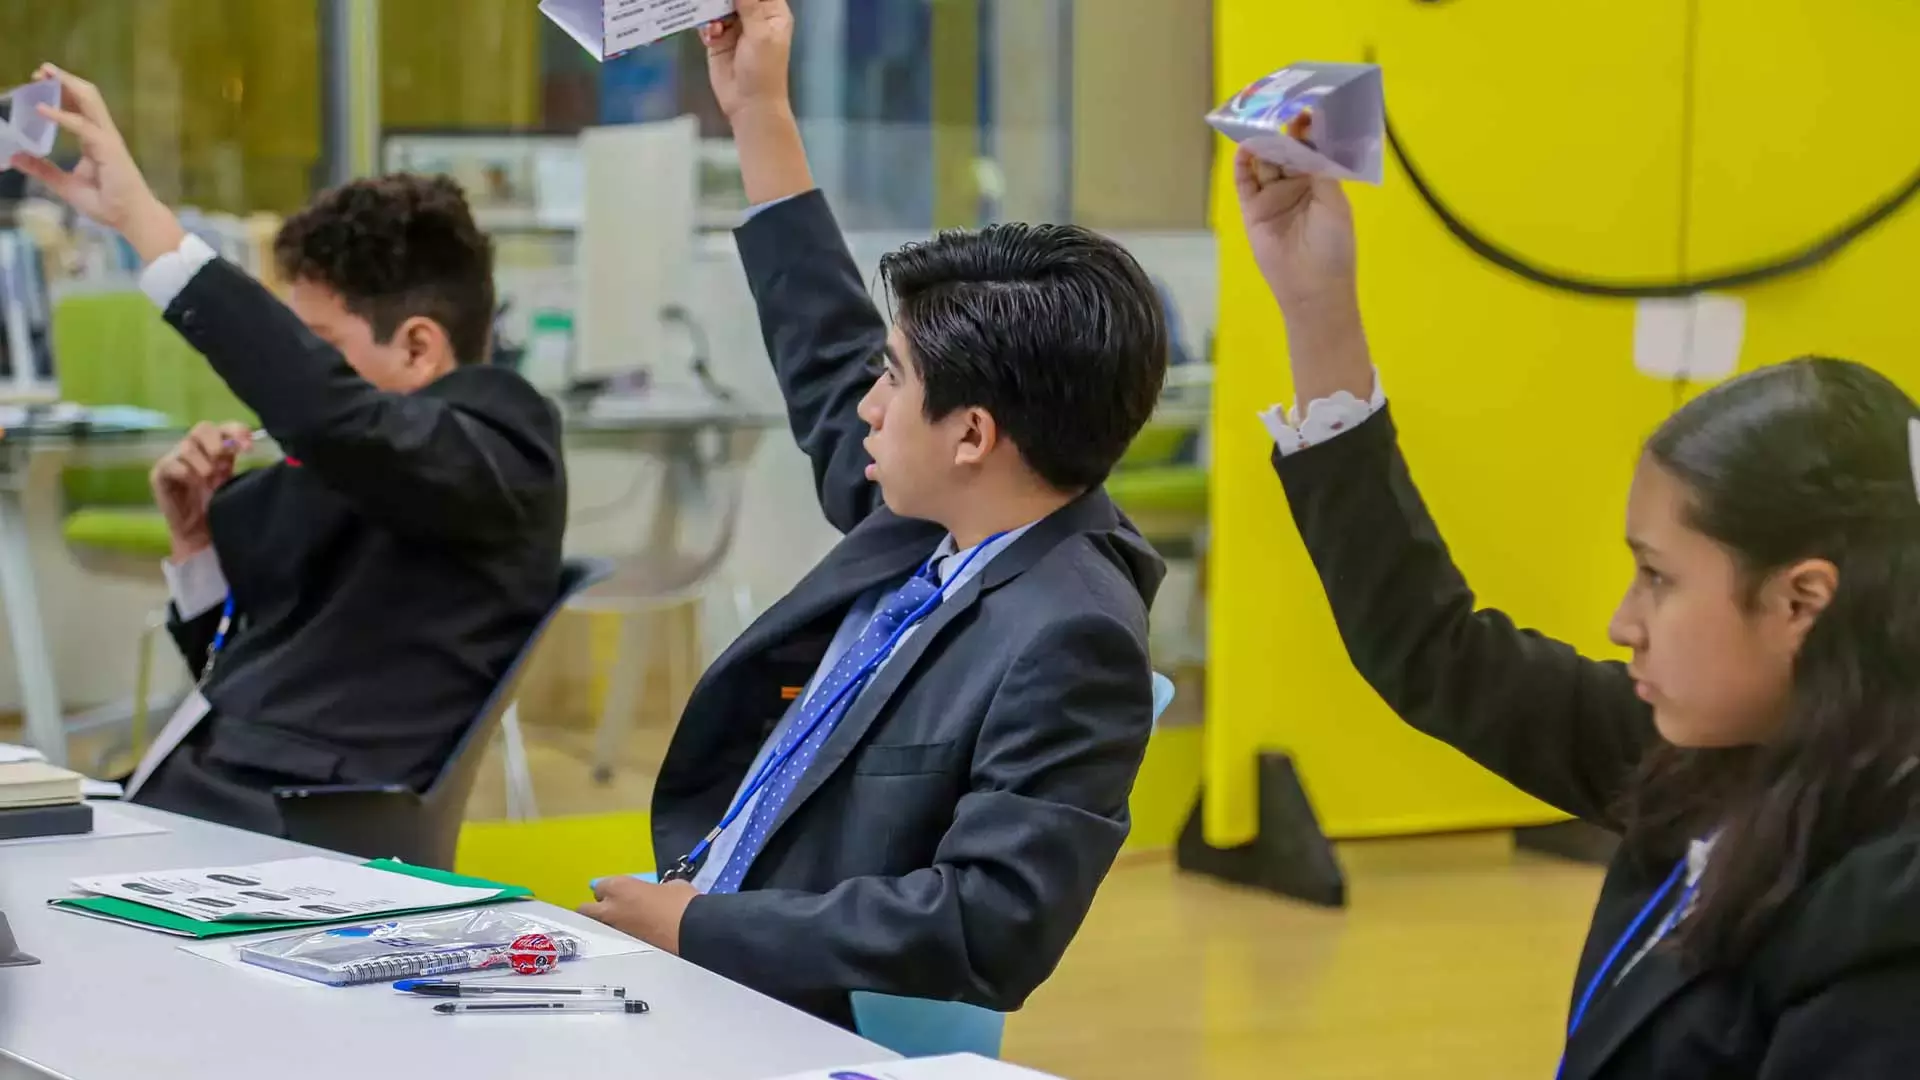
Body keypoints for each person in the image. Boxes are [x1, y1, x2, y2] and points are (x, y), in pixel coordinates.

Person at [1238, 144, 1920, 1078]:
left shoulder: (1888, 914)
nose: (1622, 621)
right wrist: (1317, 307)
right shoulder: (1706, 751)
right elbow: (1433, 651)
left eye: (1659, 577)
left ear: (1801, 599)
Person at [576, 0, 1168, 1027]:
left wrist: (698, 927)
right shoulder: (948, 518)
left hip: (783, 1011)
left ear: (974, 434)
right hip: (699, 957)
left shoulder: (1072, 632)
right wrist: (758, 106)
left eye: (892, 381)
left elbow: (992, 923)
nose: (866, 406)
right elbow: (822, 344)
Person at [9, 65, 566, 836]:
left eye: (321, 347)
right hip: (198, 794)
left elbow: (332, 414)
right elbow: (264, 665)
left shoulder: (503, 440)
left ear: (416, 348)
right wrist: (196, 548)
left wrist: (147, 226)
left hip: (292, 826)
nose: (303, 370)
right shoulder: (383, 468)